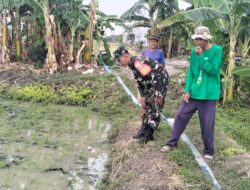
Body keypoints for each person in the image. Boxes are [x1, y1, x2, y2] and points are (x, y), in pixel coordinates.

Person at [160, 26, 223, 160]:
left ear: (206, 39)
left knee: (207, 124)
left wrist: (202, 57)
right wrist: (187, 90)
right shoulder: (195, 51)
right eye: (196, 39)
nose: (197, 42)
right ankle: (172, 143)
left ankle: (209, 151)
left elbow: (212, 70)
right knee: (180, 115)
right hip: (194, 93)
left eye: (200, 39)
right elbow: (191, 73)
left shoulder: (217, 50)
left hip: (208, 95)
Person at [114, 46, 170, 144]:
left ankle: (149, 134)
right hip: (151, 82)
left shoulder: (137, 63)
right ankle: (144, 130)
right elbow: (140, 81)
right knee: (147, 105)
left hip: (160, 81)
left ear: (124, 56)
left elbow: (155, 75)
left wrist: (158, 94)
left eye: (119, 60)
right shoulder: (132, 64)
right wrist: (143, 96)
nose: (119, 63)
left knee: (154, 106)